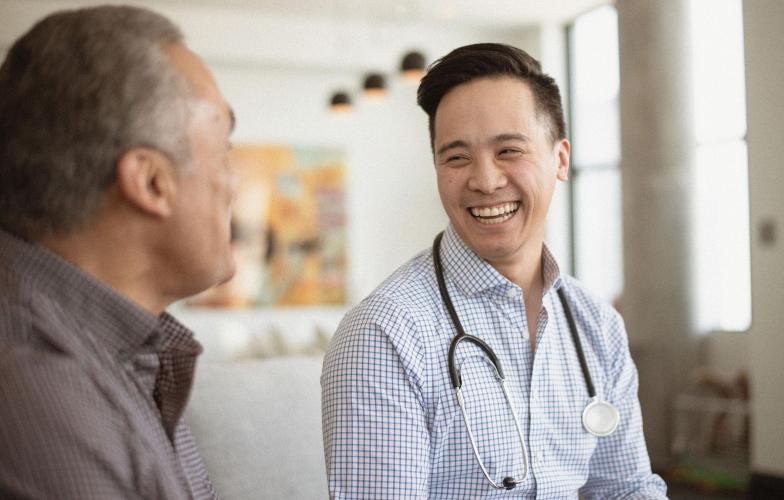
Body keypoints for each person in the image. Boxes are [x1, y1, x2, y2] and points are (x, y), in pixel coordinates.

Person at [321, 43, 667, 498]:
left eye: (509, 150)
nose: (485, 181)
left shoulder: (597, 326)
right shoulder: (384, 335)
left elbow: (626, 488)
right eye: (457, 157)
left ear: (560, 159)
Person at [0, 6, 236, 499]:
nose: (232, 185)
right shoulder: (41, 387)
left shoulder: (127, 353)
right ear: (151, 183)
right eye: (225, 149)